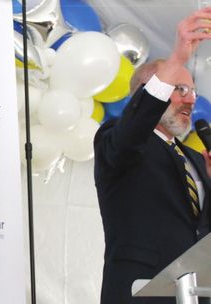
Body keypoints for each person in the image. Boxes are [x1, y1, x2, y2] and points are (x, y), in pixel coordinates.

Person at [94, 8, 211, 304]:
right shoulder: (116, 138)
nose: (190, 99)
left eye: (193, 91)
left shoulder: (195, 159)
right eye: (180, 88)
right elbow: (133, 129)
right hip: (141, 293)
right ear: (146, 93)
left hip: (195, 293)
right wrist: (177, 59)